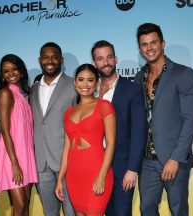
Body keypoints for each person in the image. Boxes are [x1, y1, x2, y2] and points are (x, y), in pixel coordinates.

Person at [134, 23, 193, 216]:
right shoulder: (139, 77)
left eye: (153, 42)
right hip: (146, 160)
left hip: (173, 158)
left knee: (178, 210)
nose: (149, 48)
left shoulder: (183, 74)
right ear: (140, 48)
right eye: (144, 44)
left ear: (163, 44)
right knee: (146, 209)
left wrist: (176, 158)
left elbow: (190, 121)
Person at [91, 40, 147, 216]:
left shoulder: (132, 90)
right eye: (100, 59)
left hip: (122, 167)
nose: (105, 62)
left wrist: (132, 169)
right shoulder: (89, 91)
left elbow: (139, 132)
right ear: (94, 63)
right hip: (94, 165)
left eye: (109, 57)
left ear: (116, 59)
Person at [55, 63, 116, 216]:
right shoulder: (68, 113)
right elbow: (66, 149)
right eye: (81, 80)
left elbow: (111, 144)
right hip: (74, 176)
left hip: (96, 172)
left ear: (97, 84)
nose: (85, 84)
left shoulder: (104, 106)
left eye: (90, 80)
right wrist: (60, 179)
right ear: (75, 83)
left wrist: (102, 176)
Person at [30, 42, 76, 216]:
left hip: (67, 160)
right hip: (41, 162)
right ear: (40, 60)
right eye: (45, 57)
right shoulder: (33, 89)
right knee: (50, 213)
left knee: (71, 211)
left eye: (54, 56)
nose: (50, 60)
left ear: (61, 60)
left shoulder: (74, 85)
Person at [0, 54, 38, 216]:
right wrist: (14, 164)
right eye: (6, 71)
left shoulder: (23, 95)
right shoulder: (6, 93)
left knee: (25, 204)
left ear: (22, 71)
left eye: (14, 69)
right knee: (19, 206)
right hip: (11, 155)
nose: (11, 73)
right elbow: (4, 130)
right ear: (2, 75)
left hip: (25, 154)